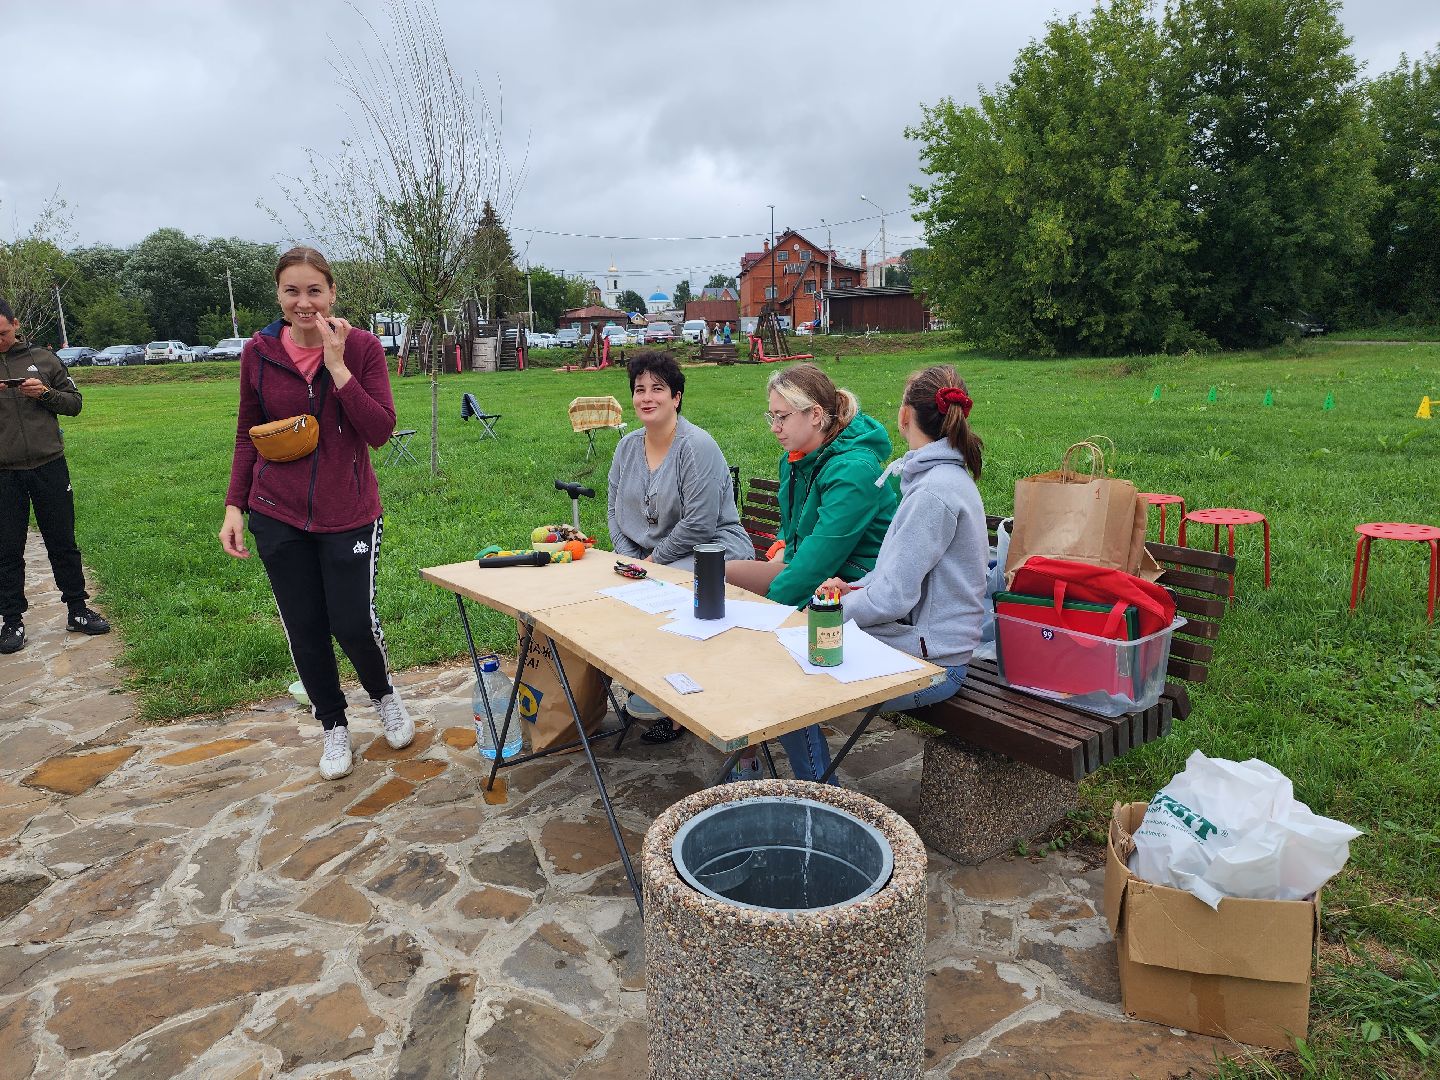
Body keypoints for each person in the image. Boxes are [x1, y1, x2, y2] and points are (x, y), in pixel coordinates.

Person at [219, 246, 412, 780]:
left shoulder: (363, 348)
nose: (303, 303)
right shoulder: (258, 353)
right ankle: (333, 724)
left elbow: (380, 431)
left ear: (332, 294)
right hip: (276, 512)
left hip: (348, 511)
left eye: (314, 291)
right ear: (278, 295)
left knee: (353, 623)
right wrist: (235, 506)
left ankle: (384, 695)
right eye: (292, 291)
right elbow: (247, 434)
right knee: (303, 626)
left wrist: (337, 365)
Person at [726, 362, 896, 781]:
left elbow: (819, 561)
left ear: (815, 415)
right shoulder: (797, 458)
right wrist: (780, 549)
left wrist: (763, 619)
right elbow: (795, 532)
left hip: (854, 589)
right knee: (718, 577)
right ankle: (746, 754)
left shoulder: (855, 470)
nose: (774, 427)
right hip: (815, 573)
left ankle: (820, 785)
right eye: (771, 416)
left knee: (767, 654)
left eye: (782, 417)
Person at [820, 365, 988, 712]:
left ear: (905, 416)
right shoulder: (942, 479)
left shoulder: (933, 492)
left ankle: (808, 752)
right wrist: (853, 590)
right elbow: (897, 577)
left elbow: (893, 598)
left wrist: (829, 612)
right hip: (935, 647)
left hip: (934, 664)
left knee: (798, 675)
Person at [607, 351, 753, 740]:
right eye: (639, 389)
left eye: (657, 388)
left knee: (661, 591)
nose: (646, 397)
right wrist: (631, 559)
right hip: (651, 558)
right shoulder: (626, 448)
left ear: (677, 397)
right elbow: (614, 510)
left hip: (712, 550)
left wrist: (652, 563)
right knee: (610, 590)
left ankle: (675, 704)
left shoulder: (696, 446)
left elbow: (700, 523)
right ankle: (645, 683)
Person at [0, 297, 111, 654]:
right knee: (6, 548)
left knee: (62, 541)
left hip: (49, 465)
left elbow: (75, 404)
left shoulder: (44, 359)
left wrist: (45, 394)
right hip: (4, 472)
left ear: (15, 325)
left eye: (2, 333)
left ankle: (77, 609)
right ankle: (11, 621)